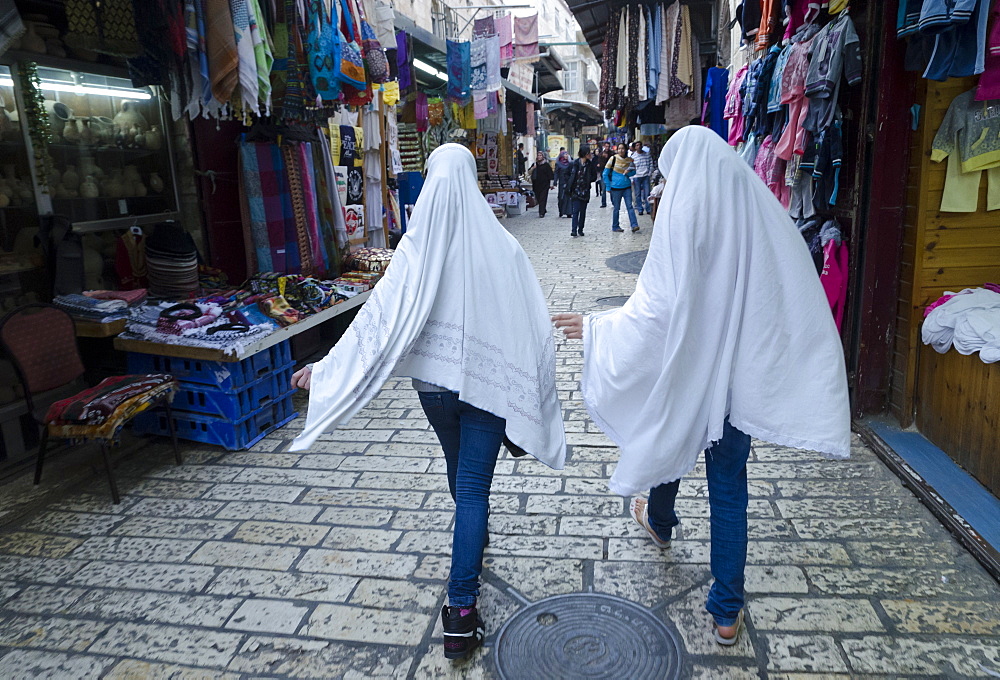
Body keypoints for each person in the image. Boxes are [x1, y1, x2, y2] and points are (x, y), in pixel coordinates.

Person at [553, 126, 850, 647]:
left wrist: (599, 325)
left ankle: (660, 522)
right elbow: (789, 289)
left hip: (699, 370)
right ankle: (726, 612)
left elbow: (657, 307)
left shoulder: (684, 211)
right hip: (740, 379)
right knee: (729, 490)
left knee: (674, 430)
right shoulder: (760, 208)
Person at [289, 144, 566, 660]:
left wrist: (325, 370)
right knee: (473, 488)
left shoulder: (415, 249)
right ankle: (461, 611)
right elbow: (532, 324)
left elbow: (376, 320)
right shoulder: (502, 247)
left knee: (459, 474)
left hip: (435, 392)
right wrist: (533, 389)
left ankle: (469, 548)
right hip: (485, 390)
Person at [604, 143, 639, 233]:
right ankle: (615, 226)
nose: (621, 150)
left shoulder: (629, 160)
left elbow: (633, 172)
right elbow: (605, 173)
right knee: (616, 208)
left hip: (627, 187)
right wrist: (608, 186)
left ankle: (634, 225)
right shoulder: (613, 159)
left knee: (630, 207)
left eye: (623, 148)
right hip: (615, 188)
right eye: (619, 148)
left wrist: (628, 173)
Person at [565, 145, 596, 237]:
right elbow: (566, 174)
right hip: (575, 191)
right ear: (584, 154)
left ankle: (580, 229)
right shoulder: (574, 164)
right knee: (575, 211)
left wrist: (588, 180)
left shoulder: (590, 165)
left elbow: (594, 176)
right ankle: (573, 230)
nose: (590, 155)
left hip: (585, 191)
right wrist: (570, 182)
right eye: (588, 153)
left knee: (583, 211)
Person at [529, 150, 554, 218]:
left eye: (540, 155)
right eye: (538, 155)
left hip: (545, 185)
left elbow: (551, 175)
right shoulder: (535, 164)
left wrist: (551, 184)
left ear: (543, 156)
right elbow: (528, 172)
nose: (539, 157)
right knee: (538, 198)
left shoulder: (546, 165)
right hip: (536, 185)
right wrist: (532, 168)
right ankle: (543, 209)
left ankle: (541, 212)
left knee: (543, 198)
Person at [631, 144, 654, 215]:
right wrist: (632, 178)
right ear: (635, 147)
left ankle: (648, 209)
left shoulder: (647, 155)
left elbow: (651, 164)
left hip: (645, 176)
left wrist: (649, 173)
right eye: (637, 145)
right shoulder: (633, 157)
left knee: (647, 193)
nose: (639, 147)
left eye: (640, 145)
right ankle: (640, 209)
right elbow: (631, 167)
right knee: (637, 194)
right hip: (637, 177)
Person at [554, 148, 572, 218]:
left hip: (569, 182)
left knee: (569, 197)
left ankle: (569, 212)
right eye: (565, 154)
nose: (566, 155)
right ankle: (561, 210)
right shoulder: (558, 164)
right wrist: (555, 181)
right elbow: (556, 173)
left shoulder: (570, 163)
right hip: (562, 182)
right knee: (561, 197)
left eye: (567, 154)